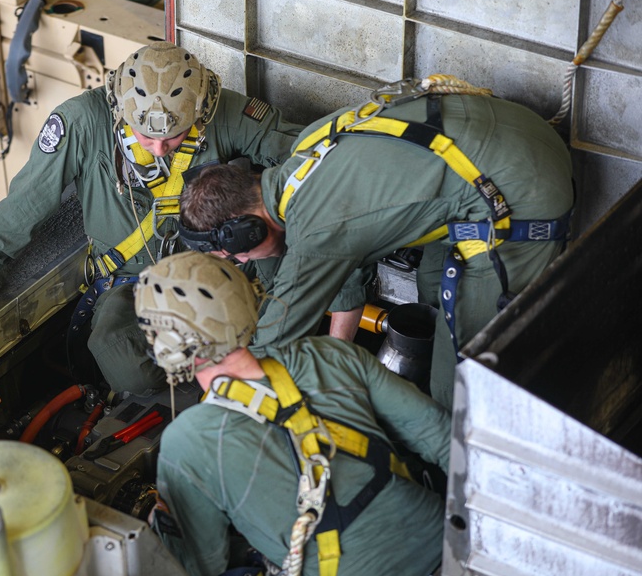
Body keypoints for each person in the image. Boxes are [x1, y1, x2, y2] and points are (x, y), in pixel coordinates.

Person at [0, 41, 301, 395]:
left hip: (221, 264)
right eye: (146, 137)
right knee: (123, 364)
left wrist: (256, 215)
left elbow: (302, 163)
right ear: (120, 110)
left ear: (199, 109)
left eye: (174, 136)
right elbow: (29, 199)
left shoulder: (226, 113)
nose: (160, 148)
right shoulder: (83, 121)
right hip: (131, 278)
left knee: (281, 325)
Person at [177, 78, 574, 408]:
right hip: (513, 131)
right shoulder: (305, 152)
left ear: (248, 229)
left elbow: (277, 338)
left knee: (457, 386)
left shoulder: (315, 230)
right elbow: (351, 246)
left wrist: (220, 399)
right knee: (434, 286)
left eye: (238, 253)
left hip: (523, 192)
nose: (245, 260)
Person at [134, 251, 451, 576]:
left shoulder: (186, 442)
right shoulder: (332, 354)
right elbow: (442, 437)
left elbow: (202, 569)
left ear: (167, 348)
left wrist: (164, 526)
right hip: (450, 548)